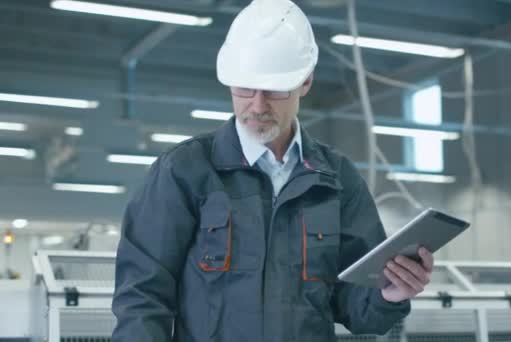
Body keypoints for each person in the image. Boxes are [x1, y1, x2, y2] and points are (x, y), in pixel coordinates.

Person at [111, 0, 434, 341]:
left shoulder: (337, 180)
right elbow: (142, 296)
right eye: (245, 87)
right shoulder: (185, 171)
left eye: (275, 90)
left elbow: (356, 306)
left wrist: (389, 294)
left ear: (305, 82)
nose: (257, 105)